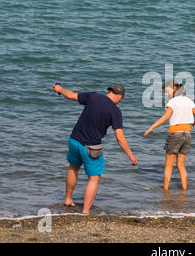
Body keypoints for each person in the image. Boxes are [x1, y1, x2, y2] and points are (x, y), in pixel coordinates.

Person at [52, 83, 138, 214]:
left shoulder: (93, 96)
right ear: (120, 97)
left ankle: (68, 199)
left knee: (73, 168)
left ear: (109, 91)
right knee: (94, 178)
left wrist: (59, 89)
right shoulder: (115, 111)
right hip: (90, 146)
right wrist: (130, 155)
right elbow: (120, 137)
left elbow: (70, 95)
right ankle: (86, 212)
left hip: (74, 140)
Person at [144, 80, 195, 191]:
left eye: (167, 91)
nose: (167, 94)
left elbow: (165, 117)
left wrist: (152, 127)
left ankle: (165, 190)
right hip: (187, 134)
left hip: (175, 134)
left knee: (169, 165)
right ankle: (184, 190)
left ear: (174, 89)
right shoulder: (189, 101)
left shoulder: (173, 102)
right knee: (181, 164)